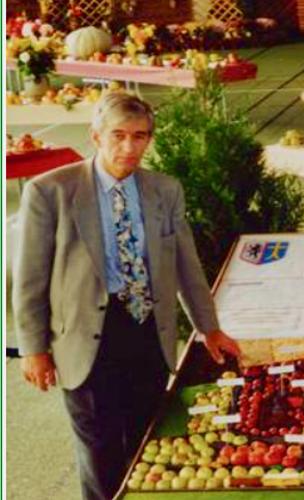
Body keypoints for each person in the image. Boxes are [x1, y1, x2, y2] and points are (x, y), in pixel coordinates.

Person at [13, 92, 242, 500]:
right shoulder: (50, 192)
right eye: (118, 135)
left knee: (148, 443)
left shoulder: (164, 190)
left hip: (148, 333)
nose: (128, 147)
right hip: (85, 339)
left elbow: (185, 265)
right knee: (100, 452)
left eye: (139, 137)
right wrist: (34, 349)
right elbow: (30, 279)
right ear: (96, 135)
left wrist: (210, 328)